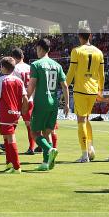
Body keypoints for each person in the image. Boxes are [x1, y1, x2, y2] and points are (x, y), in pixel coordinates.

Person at [26, 37, 69, 171]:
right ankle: (46, 163)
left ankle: (49, 149)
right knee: (47, 133)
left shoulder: (36, 65)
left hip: (41, 102)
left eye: (37, 49)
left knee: (34, 133)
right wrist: (67, 104)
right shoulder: (57, 66)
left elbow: (31, 85)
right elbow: (65, 86)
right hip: (54, 103)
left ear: (40, 49)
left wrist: (25, 99)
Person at [65, 27, 105, 162]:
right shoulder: (99, 52)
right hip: (93, 90)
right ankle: (90, 148)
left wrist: (65, 85)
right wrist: (100, 90)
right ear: (90, 36)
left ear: (79, 37)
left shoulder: (76, 51)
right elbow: (102, 75)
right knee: (86, 119)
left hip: (80, 90)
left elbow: (71, 72)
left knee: (81, 120)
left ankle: (84, 155)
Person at [0, 57, 29, 173]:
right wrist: (23, 110)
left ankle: (16, 166)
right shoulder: (19, 80)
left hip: (6, 113)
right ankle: (9, 164)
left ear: (3, 68)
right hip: (16, 113)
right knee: (6, 137)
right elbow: (25, 97)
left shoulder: (2, 79)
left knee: (10, 138)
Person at [11, 47, 37, 155]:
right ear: (23, 56)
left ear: (13, 58)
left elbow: (13, 84)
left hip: (20, 99)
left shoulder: (14, 68)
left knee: (12, 122)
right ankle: (32, 146)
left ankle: (9, 141)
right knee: (27, 124)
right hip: (31, 98)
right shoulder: (30, 67)